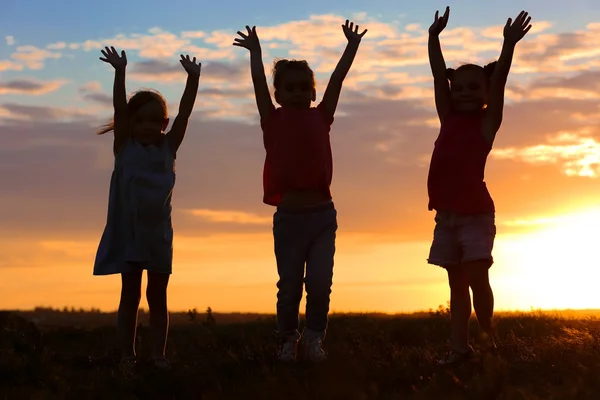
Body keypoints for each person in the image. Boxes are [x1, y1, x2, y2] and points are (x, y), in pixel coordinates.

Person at [233, 20, 367, 362]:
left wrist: (351, 46)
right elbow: (258, 83)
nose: (296, 93)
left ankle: (313, 338)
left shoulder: (322, 115)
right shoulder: (272, 119)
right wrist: (256, 52)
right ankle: (286, 340)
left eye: (303, 87)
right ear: (278, 94)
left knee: (320, 284)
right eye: (288, 88)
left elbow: (337, 80)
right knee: (290, 285)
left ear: (312, 92)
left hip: (323, 215)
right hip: (289, 218)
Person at [426, 7, 532, 365]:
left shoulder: (487, 125)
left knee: (476, 280)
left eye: (474, 87)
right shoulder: (448, 117)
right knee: (457, 286)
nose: (465, 93)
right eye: (459, 88)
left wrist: (508, 45)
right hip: (446, 217)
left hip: (475, 216)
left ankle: (488, 337)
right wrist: (433, 38)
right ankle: (460, 351)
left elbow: (499, 80)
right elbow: (438, 78)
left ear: (485, 93)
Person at [93, 46, 201, 373]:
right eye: (140, 119)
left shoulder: (169, 148)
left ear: (163, 123)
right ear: (131, 121)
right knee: (130, 296)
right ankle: (128, 356)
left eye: (155, 120)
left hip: (158, 236)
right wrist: (119, 71)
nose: (147, 125)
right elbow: (119, 109)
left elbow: (185, 114)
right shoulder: (124, 148)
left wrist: (193, 80)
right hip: (129, 235)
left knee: (158, 297)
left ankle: (158, 356)